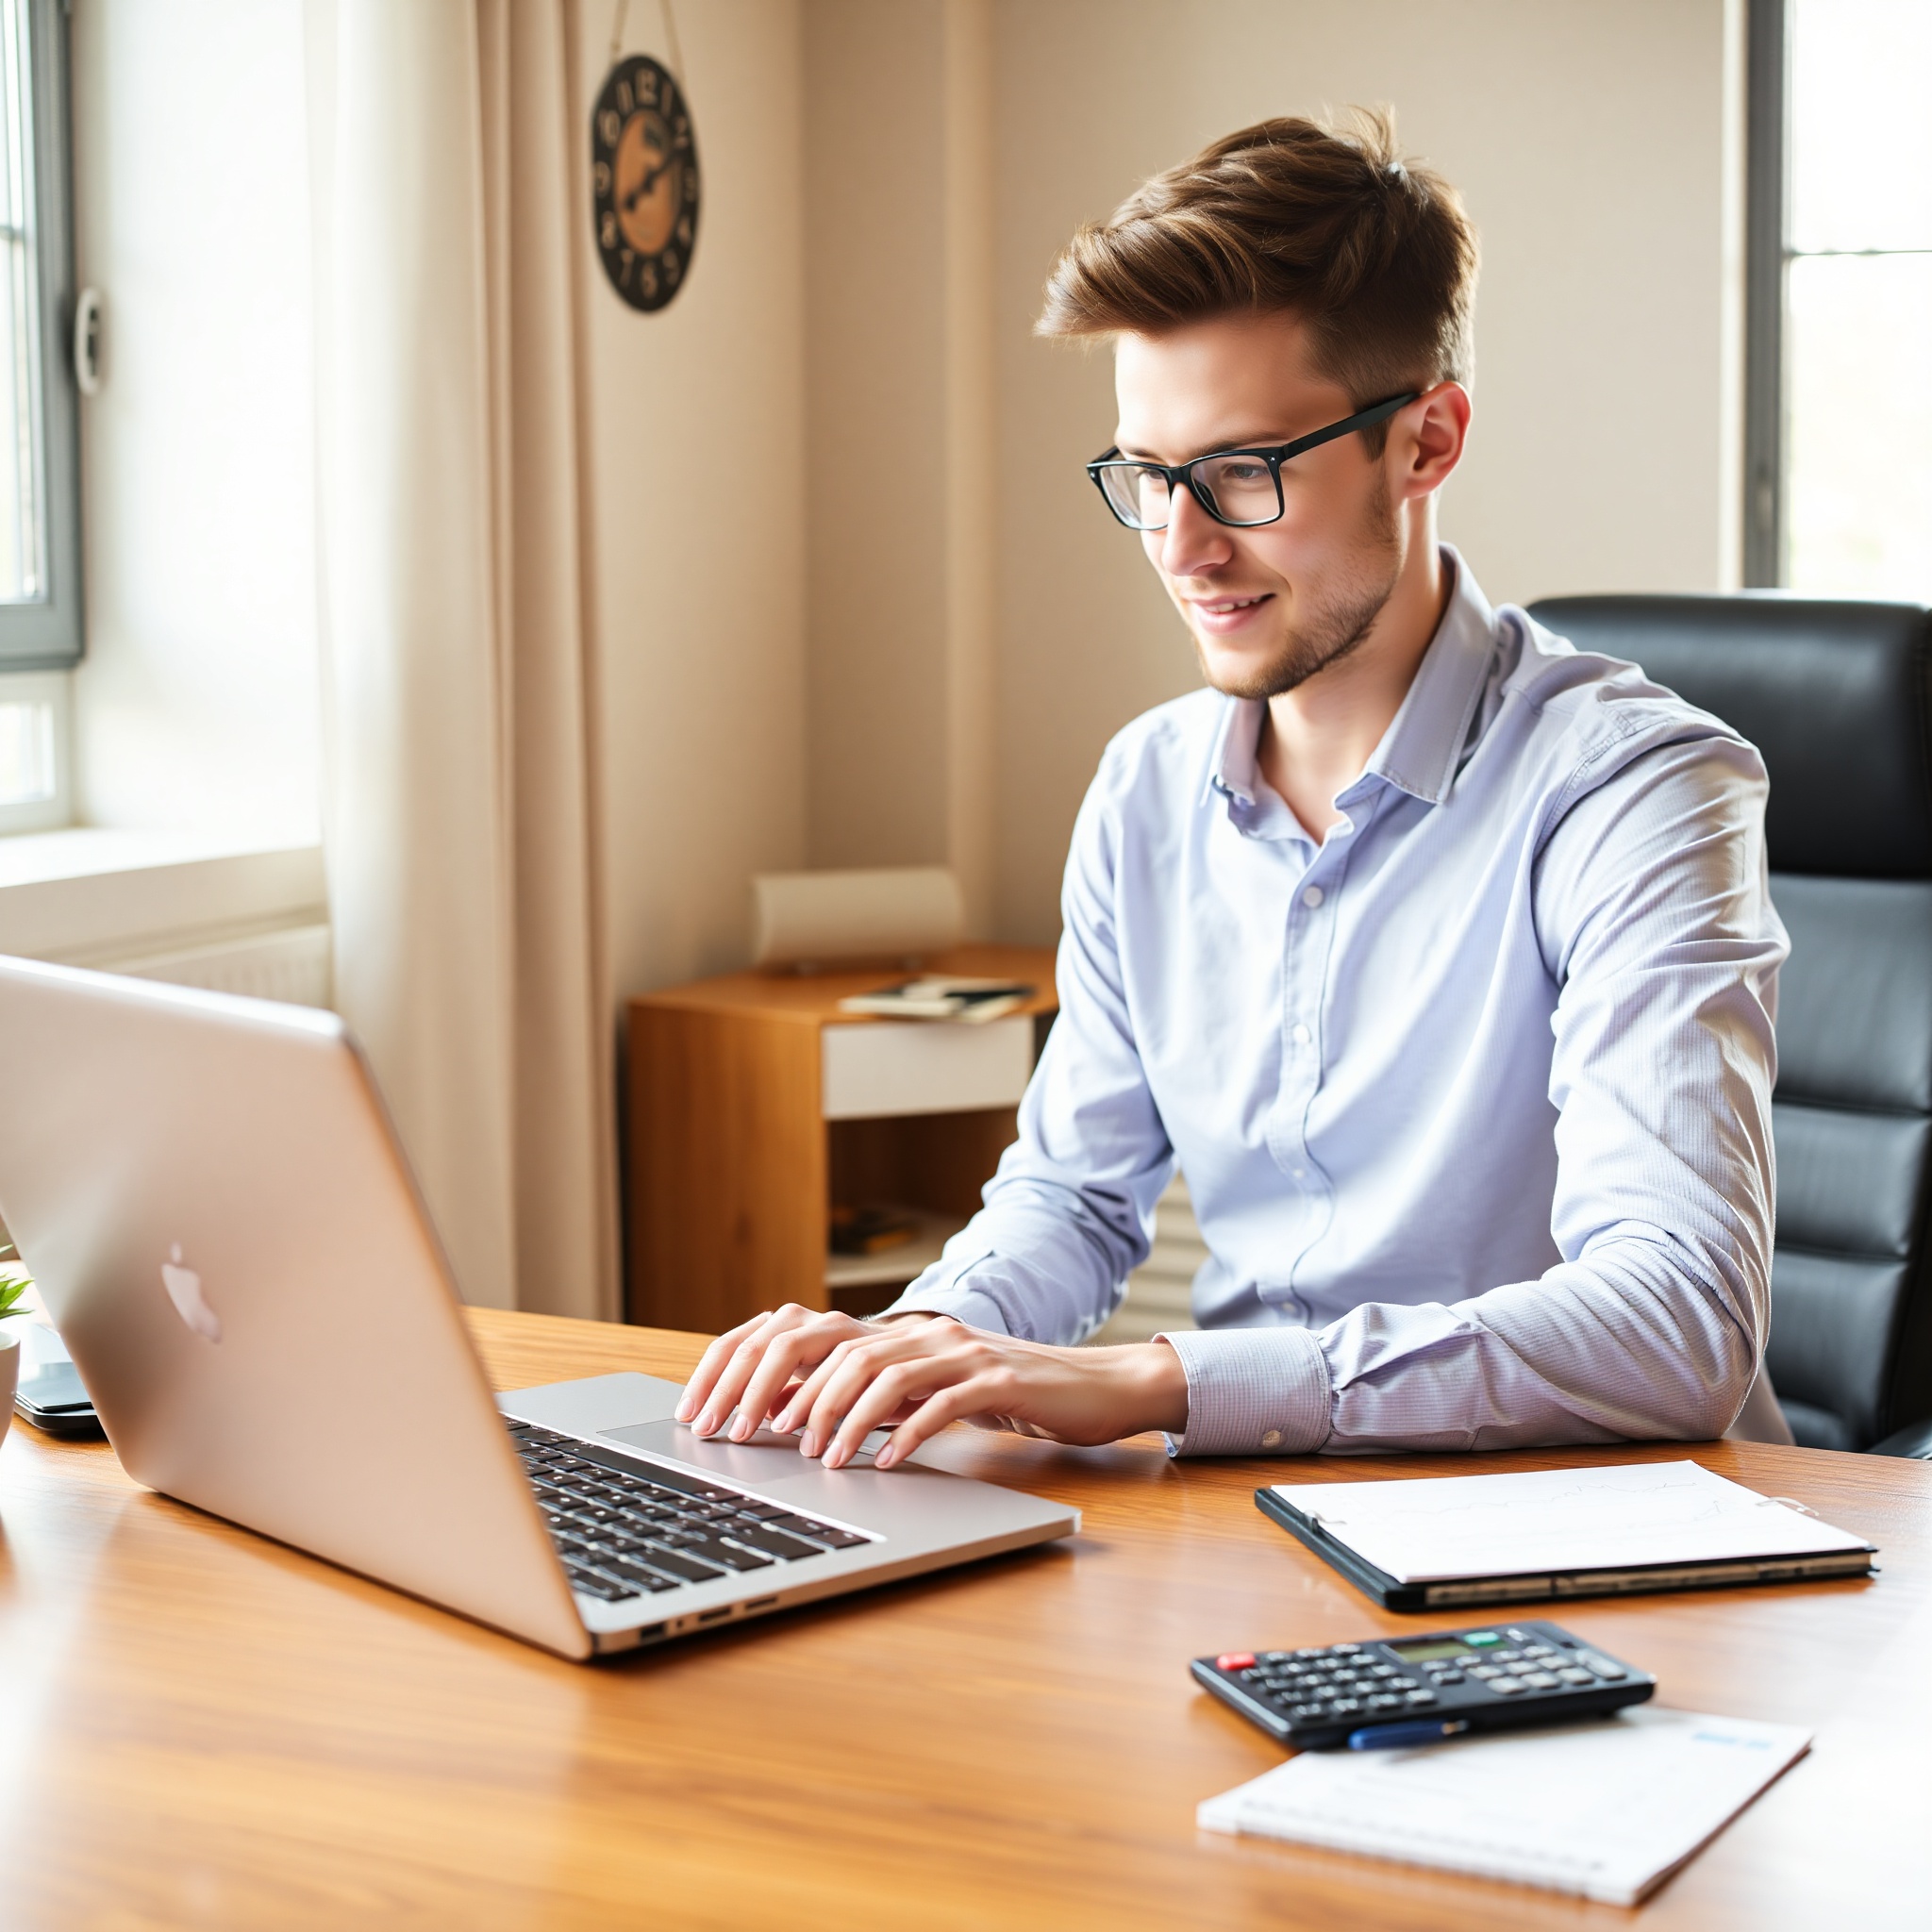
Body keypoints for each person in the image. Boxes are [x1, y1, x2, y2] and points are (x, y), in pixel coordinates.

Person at [677, 110, 1789, 1471]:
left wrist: (1161, 1380)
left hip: (1591, 1537)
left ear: (1425, 442)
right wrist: (921, 1353)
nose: (1182, 547)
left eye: (1242, 473)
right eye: (1148, 478)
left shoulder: (1637, 792)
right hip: (1240, 1514)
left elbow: (1676, 1321)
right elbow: (1071, 1201)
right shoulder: (1146, 791)